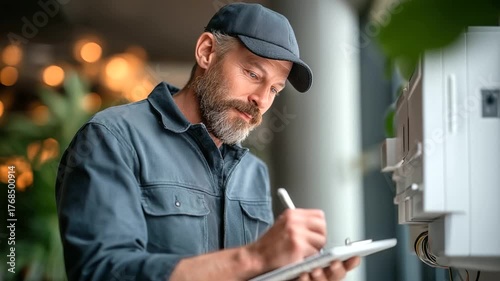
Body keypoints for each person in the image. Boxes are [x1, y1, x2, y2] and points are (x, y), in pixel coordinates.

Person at [55, 2, 360, 281]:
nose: (261, 100)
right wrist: (254, 257)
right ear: (206, 52)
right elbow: (99, 273)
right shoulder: (113, 139)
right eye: (253, 74)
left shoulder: (252, 172)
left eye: (274, 90)